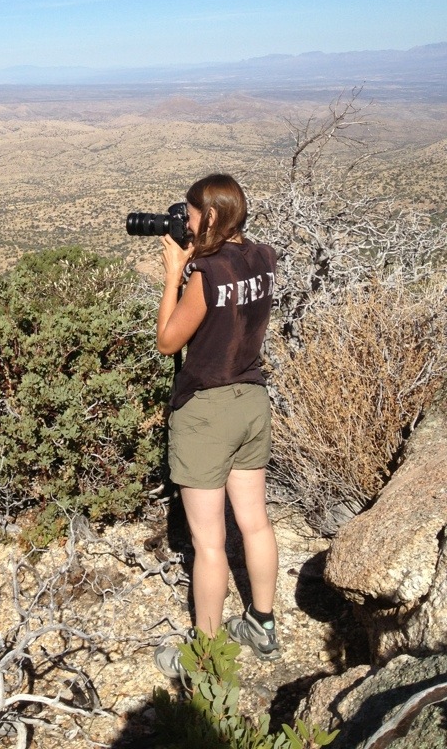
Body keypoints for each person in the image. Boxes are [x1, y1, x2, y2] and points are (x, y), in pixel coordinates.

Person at [153, 173, 281, 673]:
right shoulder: (263, 257)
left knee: (209, 542)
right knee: (254, 522)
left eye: (188, 214)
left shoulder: (208, 273)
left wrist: (173, 274)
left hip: (208, 410)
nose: (184, 222)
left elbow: (168, 341)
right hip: (252, 400)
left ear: (209, 216)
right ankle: (262, 625)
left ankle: (204, 658)